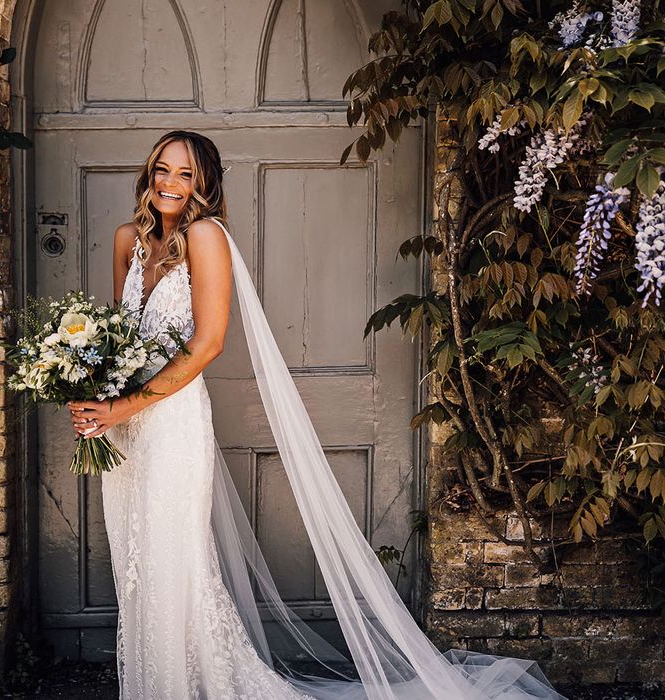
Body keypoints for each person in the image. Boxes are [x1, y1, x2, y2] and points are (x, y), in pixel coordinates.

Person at [68, 130, 564, 700]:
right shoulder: (127, 239)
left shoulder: (206, 237)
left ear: (205, 183)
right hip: (122, 431)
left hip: (172, 426)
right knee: (136, 557)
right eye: (163, 168)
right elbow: (117, 338)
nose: (170, 183)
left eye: (186, 173)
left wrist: (124, 404)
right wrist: (91, 393)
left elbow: (207, 346)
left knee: (172, 560)